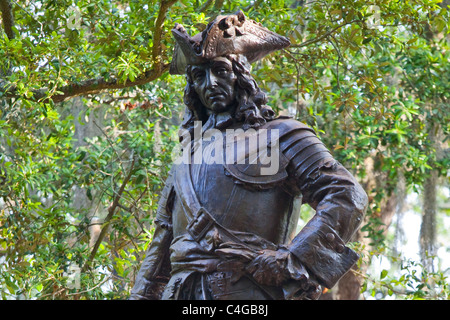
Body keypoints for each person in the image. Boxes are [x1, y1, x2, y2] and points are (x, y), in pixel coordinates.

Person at [129, 11, 368, 300]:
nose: (211, 83)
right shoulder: (187, 156)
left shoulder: (282, 135)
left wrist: (295, 259)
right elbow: (162, 241)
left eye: (220, 71)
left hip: (247, 293)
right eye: (199, 76)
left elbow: (346, 194)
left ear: (241, 75)